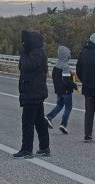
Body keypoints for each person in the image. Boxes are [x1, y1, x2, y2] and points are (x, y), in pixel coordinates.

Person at [14, 30, 50, 158]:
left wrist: (23, 53)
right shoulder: (39, 51)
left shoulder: (35, 54)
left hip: (32, 91)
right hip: (36, 91)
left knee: (28, 121)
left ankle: (27, 149)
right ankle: (45, 147)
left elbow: (26, 66)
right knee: (39, 120)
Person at [45, 46, 76, 134]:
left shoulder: (56, 65)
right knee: (68, 107)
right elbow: (66, 79)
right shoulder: (65, 66)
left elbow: (54, 77)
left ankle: (48, 117)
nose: (70, 55)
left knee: (59, 105)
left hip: (59, 91)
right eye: (69, 54)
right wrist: (75, 86)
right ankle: (63, 124)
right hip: (66, 91)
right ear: (66, 55)